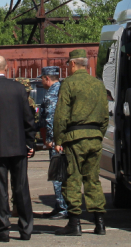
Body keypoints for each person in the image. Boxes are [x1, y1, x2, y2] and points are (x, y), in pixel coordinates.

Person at [0, 55, 37, 243]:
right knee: (21, 187)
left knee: (0, 188)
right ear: (7, 68)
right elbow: (29, 118)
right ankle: (26, 229)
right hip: (18, 146)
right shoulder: (19, 89)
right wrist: (30, 143)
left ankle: (2, 229)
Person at [53, 49, 111, 237]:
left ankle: (74, 223)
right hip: (94, 137)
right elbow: (104, 115)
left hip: (75, 138)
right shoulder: (98, 84)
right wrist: (98, 135)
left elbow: (61, 114)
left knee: (73, 178)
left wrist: (58, 139)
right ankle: (100, 223)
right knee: (93, 179)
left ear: (72, 64)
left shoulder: (69, 84)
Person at [39, 67, 67, 220]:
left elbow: (50, 119)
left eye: (42, 79)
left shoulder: (51, 95)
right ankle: (59, 205)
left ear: (47, 79)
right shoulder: (63, 90)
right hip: (65, 139)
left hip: (57, 141)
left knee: (58, 174)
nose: (41, 81)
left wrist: (50, 140)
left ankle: (63, 207)